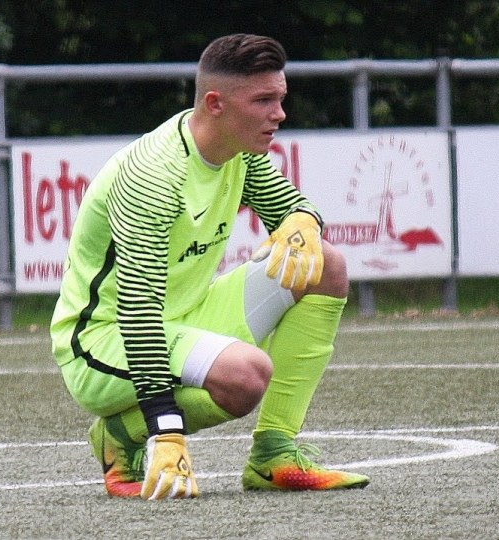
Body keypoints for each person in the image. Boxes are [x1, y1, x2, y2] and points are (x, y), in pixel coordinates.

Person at [50, 33, 370, 500]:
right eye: (263, 100)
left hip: (185, 316)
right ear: (215, 103)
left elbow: (290, 208)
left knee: (327, 265)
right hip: (105, 340)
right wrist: (166, 431)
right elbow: (138, 310)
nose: (279, 114)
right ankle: (120, 435)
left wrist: (304, 220)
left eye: (280, 98)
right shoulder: (154, 175)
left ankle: (274, 455)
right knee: (247, 376)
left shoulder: (238, 150)